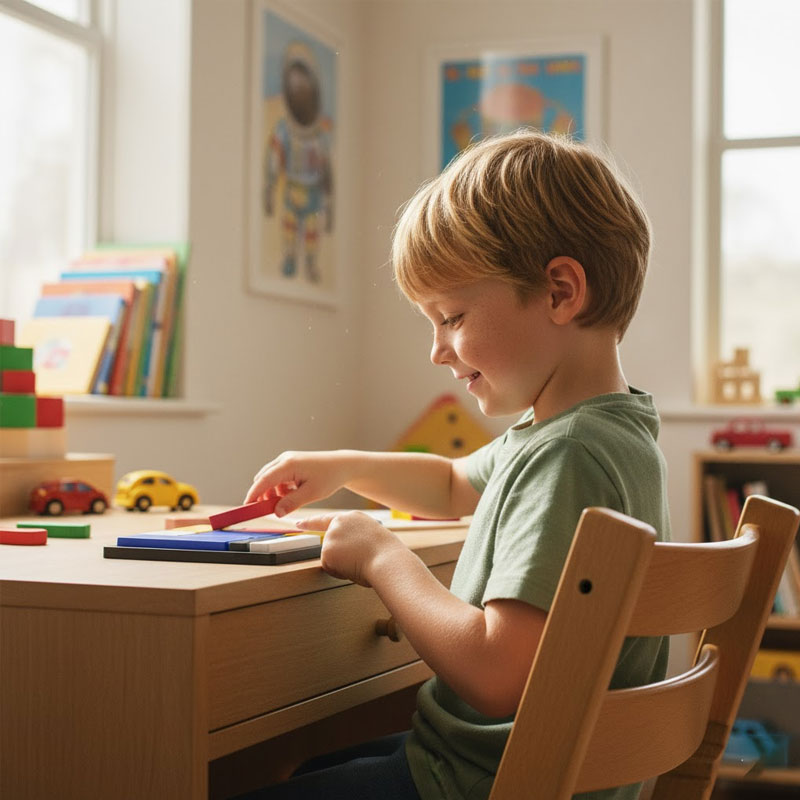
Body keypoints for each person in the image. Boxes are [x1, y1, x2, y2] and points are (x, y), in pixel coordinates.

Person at [237, 130, 671, 800]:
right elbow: (451, 484)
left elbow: (497, 675)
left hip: (485, 783)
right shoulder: (600, 432)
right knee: (304, 767)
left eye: (452, 316)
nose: (437, 350)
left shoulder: (568, 454)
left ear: (560, 292)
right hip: (506, 768)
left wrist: (382, 556)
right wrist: (341, 467)